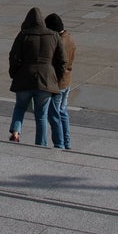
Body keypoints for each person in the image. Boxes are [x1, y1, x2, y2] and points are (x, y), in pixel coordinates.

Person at [7, 7, 66, 146]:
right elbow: (62, 60)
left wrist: (14, 73)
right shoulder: (54, 36)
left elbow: (13, 56)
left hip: (24, 76)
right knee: (41, 115)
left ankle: (15, 132)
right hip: (46, 79)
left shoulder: (23, 35)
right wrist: (56, 78)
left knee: (20, 107)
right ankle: (41, 144)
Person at [44, 13, 75, 150]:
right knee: (63, 112)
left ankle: (59, 143)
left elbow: (58, 63)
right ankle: (67, 142)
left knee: (54, 114)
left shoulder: (58, 42)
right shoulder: (70, 39)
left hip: (59, 83)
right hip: (67, 81)